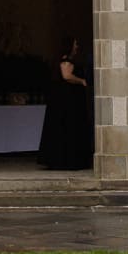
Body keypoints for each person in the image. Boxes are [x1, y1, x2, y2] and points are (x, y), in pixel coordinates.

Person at [37, 37, 93, 171]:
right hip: (67, 104)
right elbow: (67, 76)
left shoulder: (62, 60)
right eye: (75, 44)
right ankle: (66, 160)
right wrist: (81, 81)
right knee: (67, 128)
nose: (77, 47)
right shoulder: (66, 61)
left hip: (64, 102)